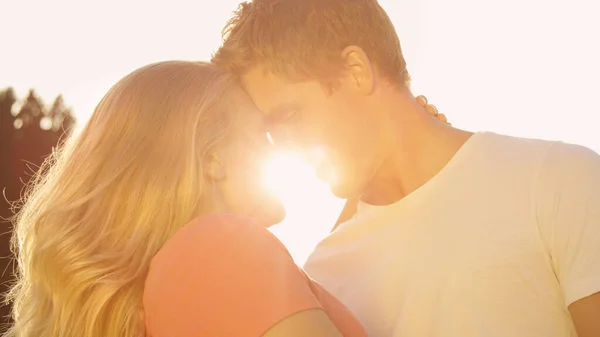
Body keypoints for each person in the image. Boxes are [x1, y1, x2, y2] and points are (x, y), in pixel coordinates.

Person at [211, 1, 600, 336]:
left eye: (291, 116)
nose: (285, 148)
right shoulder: (323, 276)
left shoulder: (558, 180)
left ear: (356, 70)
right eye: (271, 132)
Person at [4, 61, 370, 337]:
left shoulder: (188, 273)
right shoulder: (219, 247)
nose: (278, 147)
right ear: (214, 158)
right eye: (262, 133)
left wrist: (374, 189)